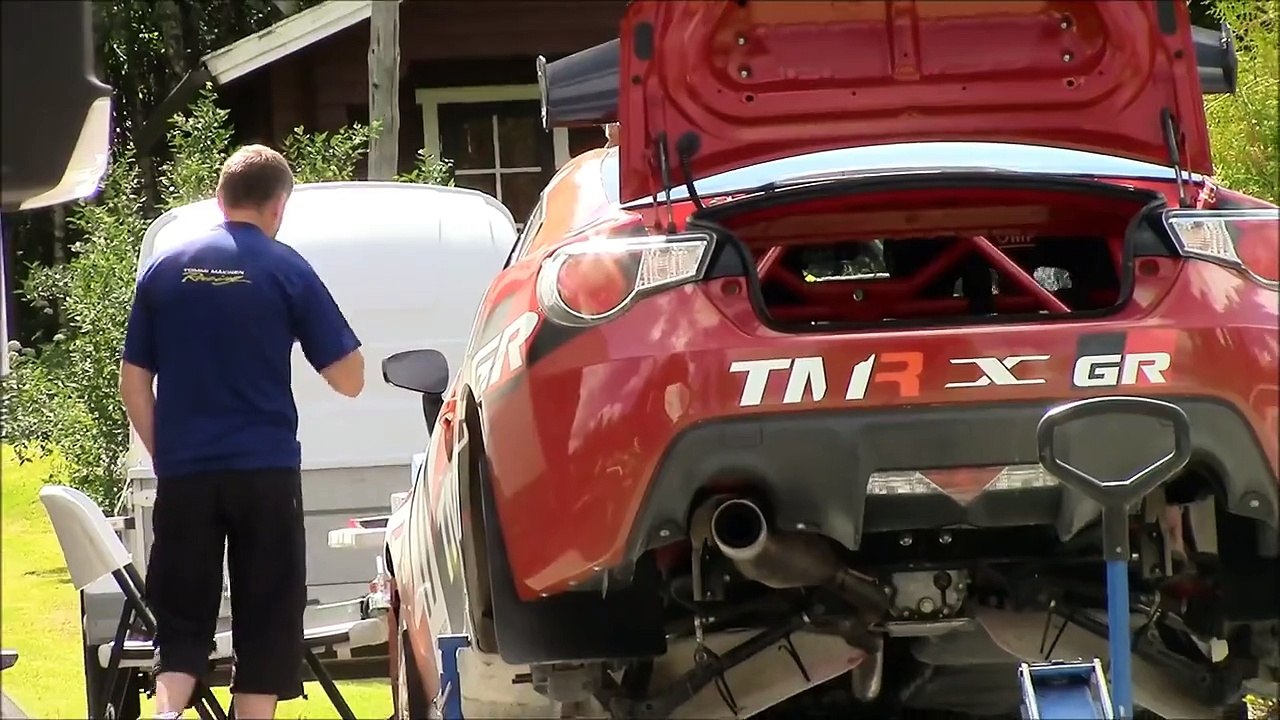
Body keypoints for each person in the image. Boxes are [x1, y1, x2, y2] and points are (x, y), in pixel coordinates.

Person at [118, 145, 365, 719]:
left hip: (186, 475)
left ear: (220, 198)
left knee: (181, 622)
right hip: (264, 473)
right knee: (267, 623)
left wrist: (167, 457)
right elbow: (349, 378)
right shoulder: (286, 267)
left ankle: (167, 713)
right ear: (279, 205)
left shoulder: (165, 269)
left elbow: (133, 383)